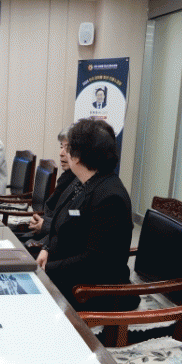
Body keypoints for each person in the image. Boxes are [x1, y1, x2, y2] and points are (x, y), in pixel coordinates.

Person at [36, 118, 136, 311]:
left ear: (78, 156)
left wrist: (46, 269)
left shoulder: (110, 197)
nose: (63, 153)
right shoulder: (80, 182)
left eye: (68, 148)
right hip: (66, 273)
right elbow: (59, 224)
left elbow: (95, 262)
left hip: (90, 291)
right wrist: (46, 249)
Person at [25, 126, 76, 241]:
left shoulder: (82, 183)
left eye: (67, 148)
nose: (61, 153)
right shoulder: (66, 178)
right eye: (61, 147)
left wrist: (45, 225)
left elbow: (73, 225)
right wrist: (39, 221)